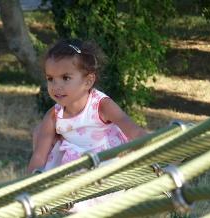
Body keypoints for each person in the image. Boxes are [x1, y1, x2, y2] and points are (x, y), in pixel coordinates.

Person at [28, 39, 147, 174]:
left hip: (109, 167)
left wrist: (153, 148)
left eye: (65, 78)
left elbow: (134, 131)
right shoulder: (53, 116)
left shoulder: (101, 105)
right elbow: (39, 156)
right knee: (39, 132)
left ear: (88, 81)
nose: (56, 86)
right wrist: (28, 185)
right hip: (76, 173)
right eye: (50, 79)